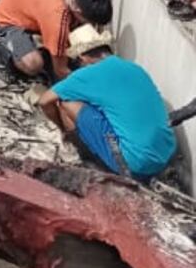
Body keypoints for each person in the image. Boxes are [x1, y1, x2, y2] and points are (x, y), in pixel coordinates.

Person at [38, 27, 175, 180]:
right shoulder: (135, 68)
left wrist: (63, 128)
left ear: (82, 57)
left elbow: (44, 101)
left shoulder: (87, 74)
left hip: (135, 165)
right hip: (165, 155)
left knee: (67, 102)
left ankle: (87, 156)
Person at [0, 0, 110, 80]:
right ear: (77, 10)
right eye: (90, 20)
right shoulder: (57, 22)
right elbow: (61, 71)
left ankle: (45, 45)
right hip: (8, 19)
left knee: (81, 50)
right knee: (33, 64)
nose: (93, 25)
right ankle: (4, 50)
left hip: (30, 11)